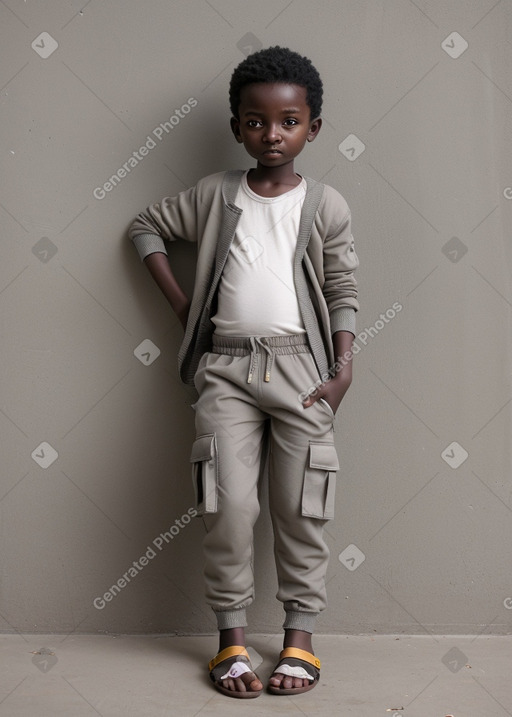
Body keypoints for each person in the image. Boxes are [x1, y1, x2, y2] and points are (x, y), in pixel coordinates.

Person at [128, 46, 359, 698]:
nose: (272, 134)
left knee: (301, 504)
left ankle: (299, 638)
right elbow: (145, 228)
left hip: (303, 371)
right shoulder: (213, 195)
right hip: (225, 368)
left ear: (313, 127)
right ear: (237, 127)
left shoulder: (327, 205)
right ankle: (230, 639)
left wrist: (341, 370)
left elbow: (343, 288)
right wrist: (186, 311)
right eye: (255, 121)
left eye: (288, 121)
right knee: (225, 502)